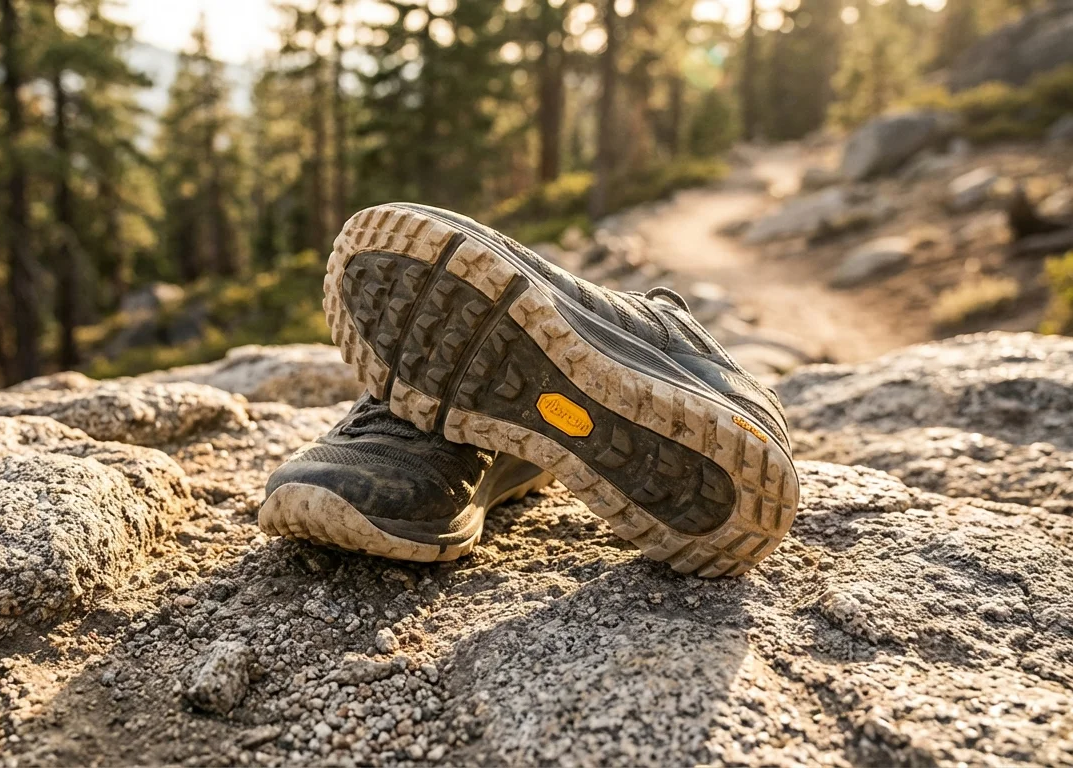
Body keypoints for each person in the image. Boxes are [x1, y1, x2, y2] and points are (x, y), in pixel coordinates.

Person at [259, 203, 799, 578]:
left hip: (534, 396)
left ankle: (660, 332)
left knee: (460, 380)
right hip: (533, 406)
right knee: (440, 391)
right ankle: (450, 421)